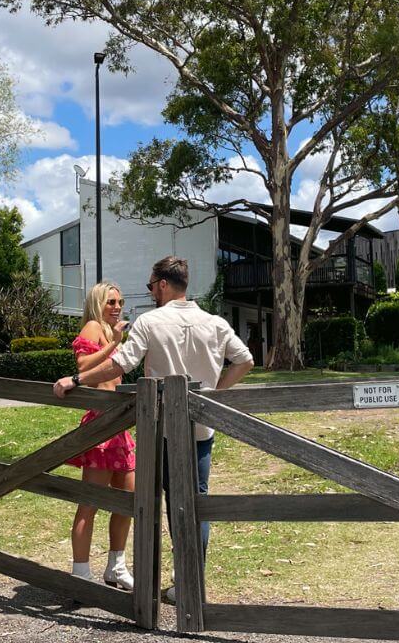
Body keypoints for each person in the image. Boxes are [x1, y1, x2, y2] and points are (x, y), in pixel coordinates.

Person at [53, 256, 254, 603]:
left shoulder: (151, 322)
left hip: (159, 430)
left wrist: (76, 379)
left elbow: (121, 364)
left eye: (149, 286)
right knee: (194, 504)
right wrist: (213, 396)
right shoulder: (215, 322)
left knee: (148, 502)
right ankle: (189, 583)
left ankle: (145, 584)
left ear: (162, 284)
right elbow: (245, 360)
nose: (148, 293)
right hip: (200, 430)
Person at [65, 281, 136, 589]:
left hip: (119, 425)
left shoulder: (108, 332)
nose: (117, 306)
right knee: (90, 503)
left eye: (119, 301)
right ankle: (81, 573)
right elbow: (81, 365)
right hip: (101, 426)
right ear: (97, 303)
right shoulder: (94, 327)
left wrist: (116, 341)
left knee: (127, 500)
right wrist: (113, 344)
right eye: (110, 302)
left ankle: (116, 567)